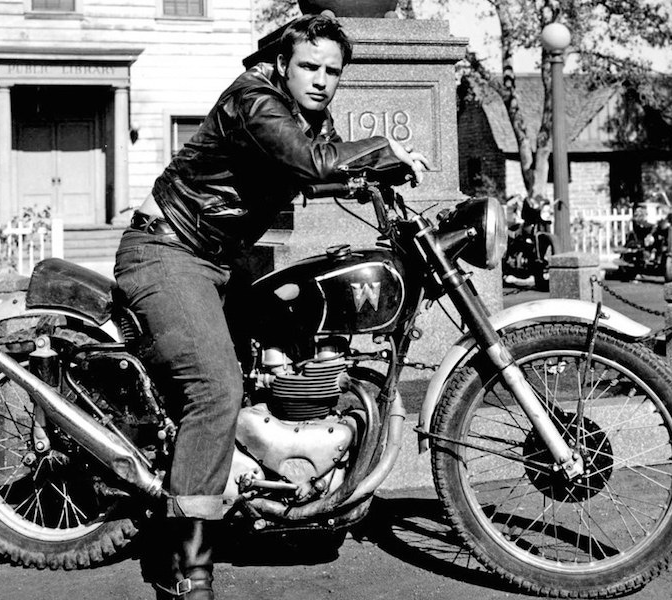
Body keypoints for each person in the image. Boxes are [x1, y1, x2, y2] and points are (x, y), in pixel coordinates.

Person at [114, 13, 429, 600]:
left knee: (285, 346)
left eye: (332, 71)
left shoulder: (305, 116)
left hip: (219, 258)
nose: (321, 79)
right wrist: (383, 148)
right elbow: (309, 162)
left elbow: (318, 167)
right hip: (168, 250)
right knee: (215, 390)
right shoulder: (253, 99)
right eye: (309, 66)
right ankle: (184, 559)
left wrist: (375, 176)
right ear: (283, 64)